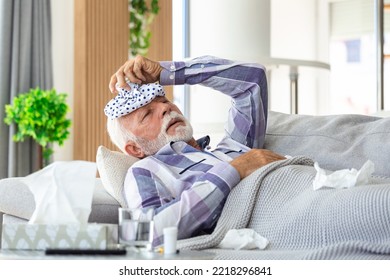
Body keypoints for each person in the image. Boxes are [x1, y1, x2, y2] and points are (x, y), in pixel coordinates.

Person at [105, 55, 285, 246]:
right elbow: (147, 234)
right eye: (147, 114)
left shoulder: (233, 145)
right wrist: (234, 170)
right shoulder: (145, 170)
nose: (165, 108)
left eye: (163, 100)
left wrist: (167, 72)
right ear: (135, 148)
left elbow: (252, 79)